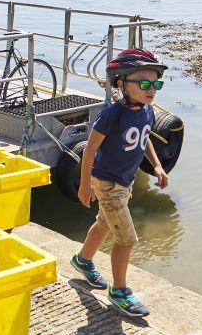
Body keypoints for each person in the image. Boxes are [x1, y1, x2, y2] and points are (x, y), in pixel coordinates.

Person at [70, 49, 170, 319]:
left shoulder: (147, 111)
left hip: (124, 182)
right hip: (107, 182)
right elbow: (89, 150)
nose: (152, 90)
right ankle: (120, 290)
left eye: (156, 84)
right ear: (121, 84)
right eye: (144, 83)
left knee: (104, 223)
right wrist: (84, 185)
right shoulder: (112, 115)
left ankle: (83, 260)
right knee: (126, 238)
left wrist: (157, 165)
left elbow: (145, 137)